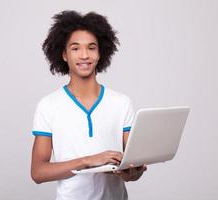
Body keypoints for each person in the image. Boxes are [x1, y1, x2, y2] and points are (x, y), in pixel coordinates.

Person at [31, 10, 147, 200]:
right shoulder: (48, 105)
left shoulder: (121, 103)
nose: (84, 55)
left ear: (100, 53)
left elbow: (131, 164)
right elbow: (38, 172)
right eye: (75, 48)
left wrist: (133, 173)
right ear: (64, 55)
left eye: (91, 47)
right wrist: (88, 161)